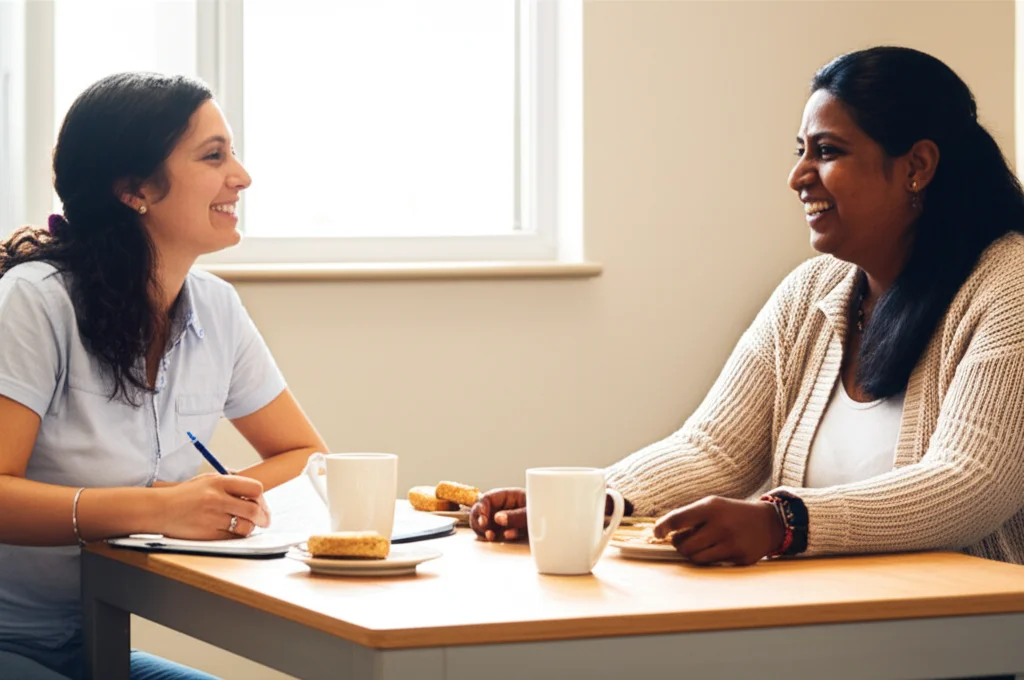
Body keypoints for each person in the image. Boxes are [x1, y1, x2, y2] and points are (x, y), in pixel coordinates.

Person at [472, 46, 1024, 568]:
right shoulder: (810, 291)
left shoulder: (1009, 285)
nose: (798, 176)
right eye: (800, 151)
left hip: (971, 639)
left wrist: (782, 523)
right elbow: (713, 449)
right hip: (824, 621)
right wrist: (593, 501)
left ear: (918, 165)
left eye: (827, 151)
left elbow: (970, 481)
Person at [0, 73, 328, 679]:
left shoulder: (216, 306)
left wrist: (213, 506)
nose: (243, 176)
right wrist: (157, 510)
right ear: (135, 188)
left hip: (96, 641)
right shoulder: (34, 301)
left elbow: (305, 455)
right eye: (214, 155)